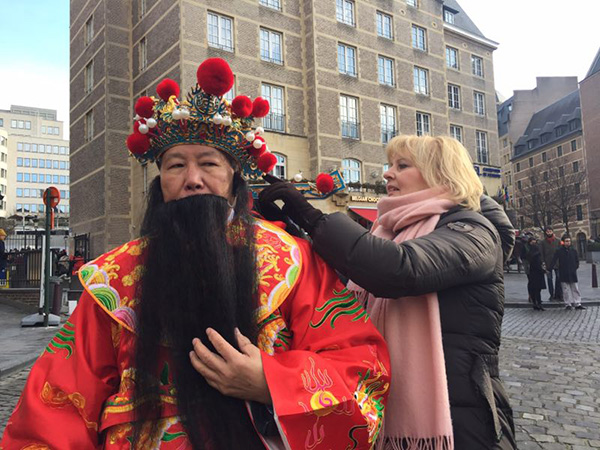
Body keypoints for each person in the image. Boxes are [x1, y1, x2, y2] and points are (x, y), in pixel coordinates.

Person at [2, 58, 390, 450]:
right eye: (175, 166)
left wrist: (270, 381)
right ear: (160, 182)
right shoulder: (116, 278)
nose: (192, 179)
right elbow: (58, 400)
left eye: (208, 164)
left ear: (234, 179)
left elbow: (361, 366)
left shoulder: (293, 262)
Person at [259, 135, 517, 449]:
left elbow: (400, 270)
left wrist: (313, 218)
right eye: (390, 165)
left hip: (458, 415)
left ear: (440, 172)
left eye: (402, 165)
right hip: (381, 400)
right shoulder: (387, 230)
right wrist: (294, 236)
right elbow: (341, 289)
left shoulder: (474, 230)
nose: (387, 173)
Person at [550, 235, 585, 310]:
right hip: (563, 271)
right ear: (563, 242)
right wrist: (550, 268)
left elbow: (577, 260)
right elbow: (554, 259)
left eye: (569, 241)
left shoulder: (573, 250)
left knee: (575, 288)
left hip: (572, 272)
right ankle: (568, 303)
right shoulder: (559, 250)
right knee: (566, 289)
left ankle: (577, 303)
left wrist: (575, 267)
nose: (568, 243)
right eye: (566, 241)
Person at [539, 227, 562, 301]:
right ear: (546, 232)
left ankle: (558, 294)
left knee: (559, 278)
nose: (549, 232)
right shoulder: (542, 242)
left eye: (550, 231)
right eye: (547, 231)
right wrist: (543, 262)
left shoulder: (558, 240)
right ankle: (551, 294)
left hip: (557, 262)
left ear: (552, 231)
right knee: (549, 279)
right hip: (548, 263)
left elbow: (561, 251)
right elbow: (541, 253)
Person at [525, 237, 546, 311]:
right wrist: (543, 270)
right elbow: (538, 265)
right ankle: (539, 304)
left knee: (533, 289)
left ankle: (535, 303)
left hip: (532, 274)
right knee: (538, 290)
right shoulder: (537, 256)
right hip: (538, 274)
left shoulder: (530, 254)